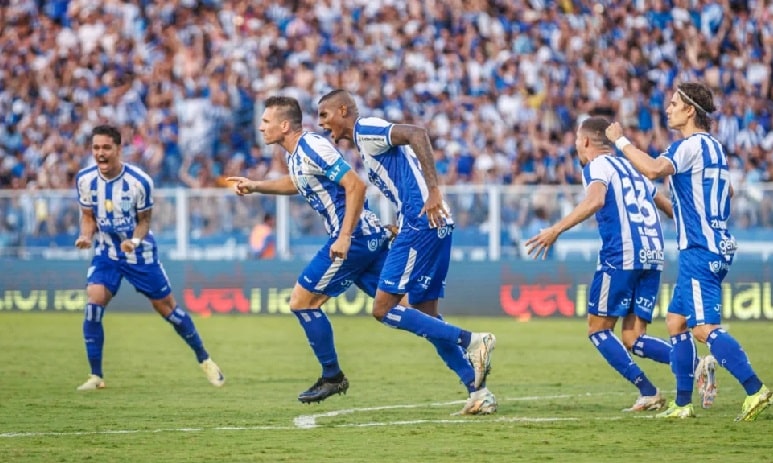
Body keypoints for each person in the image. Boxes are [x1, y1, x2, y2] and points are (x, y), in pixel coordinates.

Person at [317, 89, 497, 415]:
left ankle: (473, 340)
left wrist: (434, 190)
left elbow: (417, 133)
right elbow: (405, 179)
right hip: (431, 222)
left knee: (383, 309)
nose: (322, 124)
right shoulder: (366, 144)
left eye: (325, 116)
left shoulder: (366, 129)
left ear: (343, 109)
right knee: (425, 315)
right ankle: (478, 391)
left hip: (423, 221)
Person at [605, 82, 773, 421]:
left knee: (702, 328)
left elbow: (654, 169)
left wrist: (620, 140)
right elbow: (724, 194)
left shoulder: (690, 145)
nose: (667, 109)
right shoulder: (714, 148)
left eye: (673, 104)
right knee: (675, 322)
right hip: (710, 243)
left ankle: (756, 389)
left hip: (701, 248)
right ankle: (682, 404)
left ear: (690, 111)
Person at [228, 95, 389, 403]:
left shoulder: (313, 146)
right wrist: (256, 185)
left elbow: (355, 185)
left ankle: (332, 376)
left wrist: (343, 237)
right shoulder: (297, 155)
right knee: (402, 306)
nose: (261, 128)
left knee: (302, 302)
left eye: (265, 122)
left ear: (284, 125)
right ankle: (469, 349)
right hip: (362, 237)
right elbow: (297, 183)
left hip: (351, 240)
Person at [525, 116, 677, 412]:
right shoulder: (634, 166)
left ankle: (647, 390)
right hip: (654, 254)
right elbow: (668, 208)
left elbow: (595, 200)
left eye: (576, 141)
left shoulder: (597, 166)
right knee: (634, 338)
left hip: (622, 253)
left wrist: (556, 229)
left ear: (585, 142)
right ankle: (694, 364)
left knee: (598, 330)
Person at [74, 124, 224, 391]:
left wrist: (133, 241)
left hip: (139, 253)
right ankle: (95, 376)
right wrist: (86, 236)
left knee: (167, 308)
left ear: (118, 149)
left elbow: (144, 221)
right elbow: (88, 217)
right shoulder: (85, 180)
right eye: (96, 147)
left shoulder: (139, 182)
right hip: (106, 253)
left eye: (106, 147)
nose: (100, 153)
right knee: (94, 302)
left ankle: (205, 359)